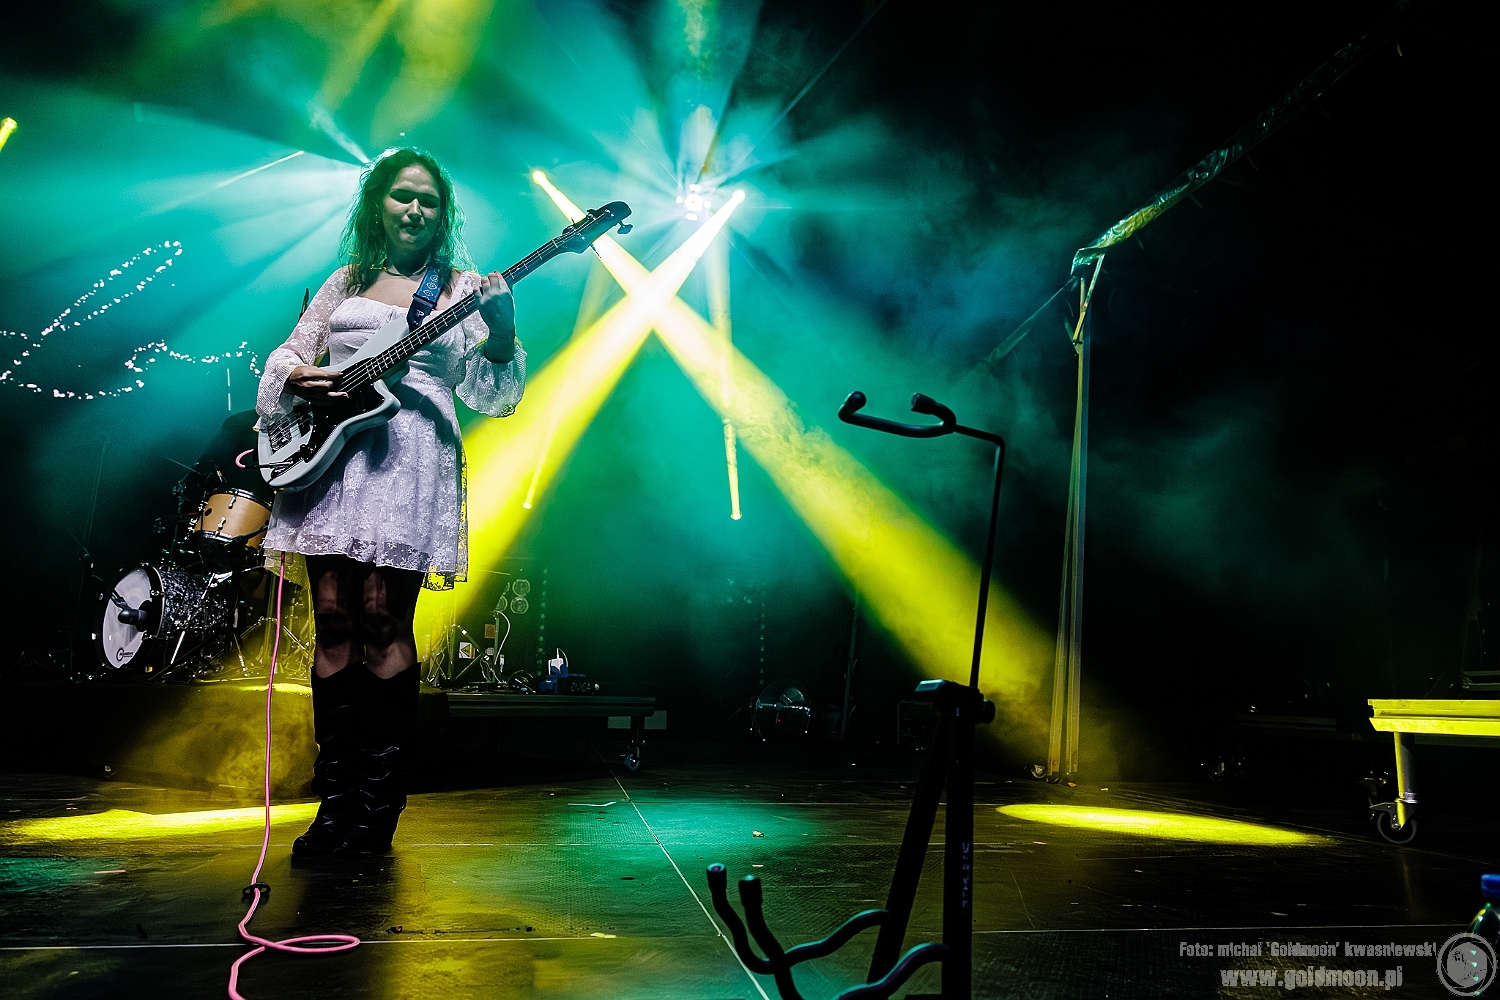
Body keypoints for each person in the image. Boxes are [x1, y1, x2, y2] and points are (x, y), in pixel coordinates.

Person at [256, 148, 526, 856]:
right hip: (330, 457)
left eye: (428, 200)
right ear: (378, 204)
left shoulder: (461, 288)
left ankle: (377, 807)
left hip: (409, 457)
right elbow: (287, 353)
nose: (415, 209)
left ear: (444, 214)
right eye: (403, 196)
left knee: (382, 617)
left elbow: (491, 393)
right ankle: (335, 802)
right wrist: (301, 377)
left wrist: (501, 330)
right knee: (333, 621)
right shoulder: (347, 279)